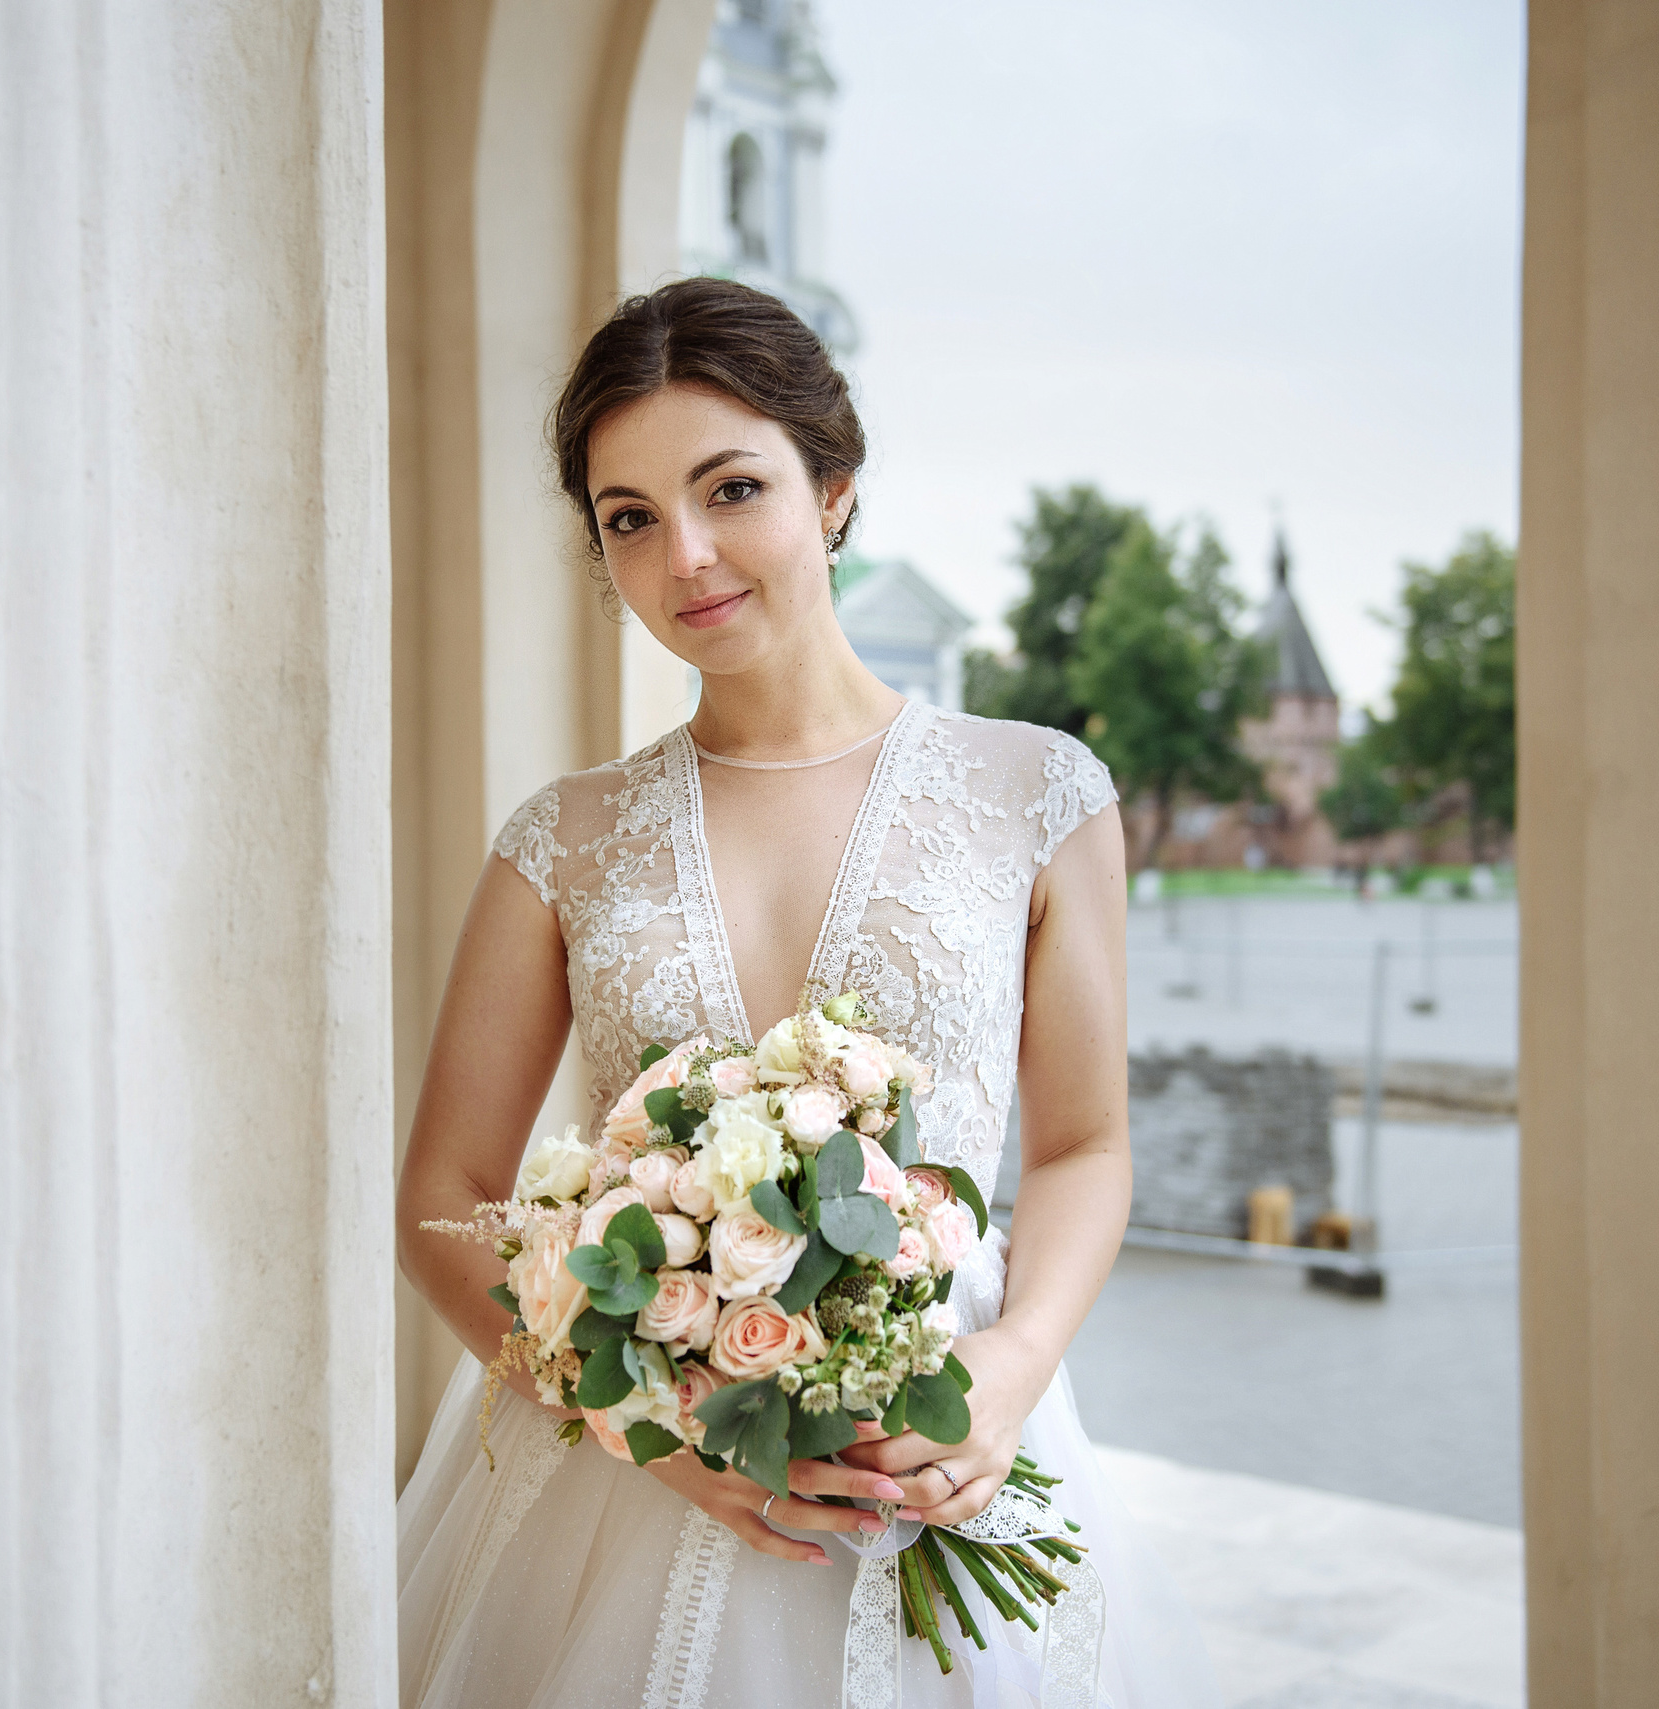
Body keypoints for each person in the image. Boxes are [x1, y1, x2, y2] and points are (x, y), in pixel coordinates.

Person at [394, 277, 1218, 1708]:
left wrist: (1013, 1366)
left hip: (949, 1442)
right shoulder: (564, 837)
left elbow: (1084, 1142)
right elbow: (442, 1193)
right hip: (623, 1491)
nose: (688, 555)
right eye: (631, 517)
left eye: (733, 488)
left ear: (834, 489)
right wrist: (645, 1423)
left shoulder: (1039, 794)